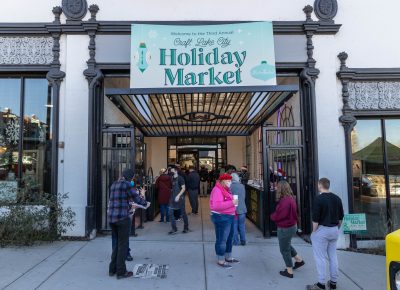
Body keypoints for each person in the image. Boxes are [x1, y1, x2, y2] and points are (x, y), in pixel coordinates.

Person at [108, 168, 148, 279]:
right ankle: (121, 272)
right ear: (131, 177)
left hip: (112, 218)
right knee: (123, 246)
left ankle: (112, 269)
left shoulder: (114, 184)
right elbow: (137, 199)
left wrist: (129, 205)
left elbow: (118, 201)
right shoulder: (127, 185)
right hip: (122, 219)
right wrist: (144, 201)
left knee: (116, 245)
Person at [307, 178, 344, 290]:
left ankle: (321, 284)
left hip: (322, 230)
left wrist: (314, 232)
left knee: (320, 258)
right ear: (328, 185)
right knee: (333, 256)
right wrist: (337, 228)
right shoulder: (337, 198)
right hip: (334, 230)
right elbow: (341, 218)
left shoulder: (319, 199)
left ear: (319, 185)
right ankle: (333, 283)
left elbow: (315, 220)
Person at [270, 180, 305, 279]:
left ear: (281, 188)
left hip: (285, 228)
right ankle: (299, 260)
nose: (276, 188)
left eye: (277, 187)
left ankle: (289, 271)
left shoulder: (285, 201)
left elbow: (280, 215)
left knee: (284, 249)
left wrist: (272, 216)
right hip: (292, 226)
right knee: (287, 245)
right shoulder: (290, 198)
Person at [209, 173, 239, 269]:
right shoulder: (217, 190)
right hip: (222, 217)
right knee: (222, 239)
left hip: (230, 216)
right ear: (222, 181)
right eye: (228, 181)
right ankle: (221, 259)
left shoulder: (226, 189)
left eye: (230, 181)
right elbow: (216, 206)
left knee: (229, 238)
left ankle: (228, 257)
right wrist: (232, 203)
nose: (230, 182)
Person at [168, 166, 189, 234]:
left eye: (172, 170)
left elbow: (183, 188)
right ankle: (174, 229)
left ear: (176, 170)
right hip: (172, 198)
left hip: (180, 198)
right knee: (170, 213)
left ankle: (186, 227)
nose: (171, 171)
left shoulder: (180, 178)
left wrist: (178, 195)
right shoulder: (171, 178)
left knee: (183, 213)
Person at [231, 173, 247, 246]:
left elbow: (232, 198)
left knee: (234, 226)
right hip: (242, 208)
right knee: (242, 225)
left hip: (234, 209)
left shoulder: (230, 187)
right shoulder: (242, 186)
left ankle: (236, 241)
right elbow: (243, 197)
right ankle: (243, 240)